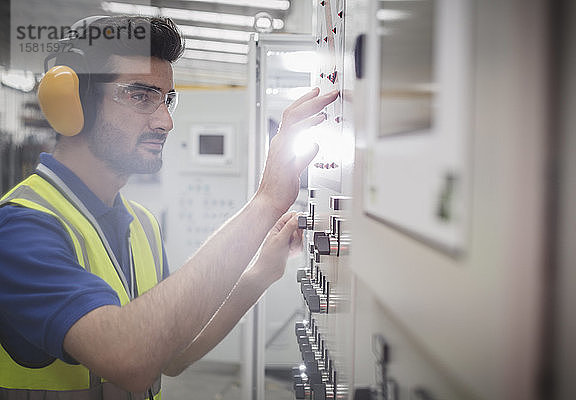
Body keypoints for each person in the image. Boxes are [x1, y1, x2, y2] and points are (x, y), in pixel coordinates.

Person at [0, 15, 337, 399]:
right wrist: (265, 203)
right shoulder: (20, 229)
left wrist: (262, 271)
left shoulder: (140, 223)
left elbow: (170, 354)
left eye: (168, 100)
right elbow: (126, 358)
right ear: (73, 102)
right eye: (141, 96)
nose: (166, 121)